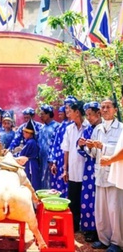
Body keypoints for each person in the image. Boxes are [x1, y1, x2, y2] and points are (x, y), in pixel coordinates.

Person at [84, 98, 123, 252]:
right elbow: (94, 154)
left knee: (115, 210)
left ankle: (117, 242)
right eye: (103, 107)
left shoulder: (121, 129)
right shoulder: (97, 129)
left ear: (115, 110)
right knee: (101, 210)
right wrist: (90, 147)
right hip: (100, 174)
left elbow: (120, 152)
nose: (105, 110)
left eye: (108, 107)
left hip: (114, 176)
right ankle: (104, 239)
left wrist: (104, 146)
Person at [61, 100, 89, 233]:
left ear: (77, 112)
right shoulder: (69, 129)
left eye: (70, 111)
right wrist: (65, 169)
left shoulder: (89, 127)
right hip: (72, 170)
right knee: (73, 198)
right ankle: (74, 226)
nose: (68, 113)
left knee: (86, 198)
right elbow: (66, 150)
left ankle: (87, 227)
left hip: (86, 172)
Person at [77, 101, 102, 242]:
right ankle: (89, 229)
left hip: (101, 167)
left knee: (99, 199)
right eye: (87, 115)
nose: (88, 118)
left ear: (98, 113)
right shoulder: (87, 130)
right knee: (88, 197)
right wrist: (81, 146)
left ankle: (100, 231)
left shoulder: (104, 129)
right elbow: (80, 150)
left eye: (90, 115)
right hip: (88, 169)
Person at [50, 96, 77, 198]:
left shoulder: (79, 125)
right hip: (61, 161)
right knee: (61, 185)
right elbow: (56, 144)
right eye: (66, 107)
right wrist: (53, 161)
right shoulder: (62, 126)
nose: (68, 110)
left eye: (70, 107)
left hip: (74, 161)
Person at [37, 104, 60, 189]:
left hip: (52, 159)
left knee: (51, 180)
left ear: (48, 114)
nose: (41, 116)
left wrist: (53, 159)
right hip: (41, 158)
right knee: (43, 179)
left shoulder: (57, 126)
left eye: (42, 114)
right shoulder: (42, 127)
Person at [14, 120, 40, 190]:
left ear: (29, 134)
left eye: (25, 133)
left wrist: (13, 155)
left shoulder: (30, 142)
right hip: (33, 163)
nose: (23, 135)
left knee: (30, 182)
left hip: (30, 164)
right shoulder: (32, 141)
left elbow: (22, 153)